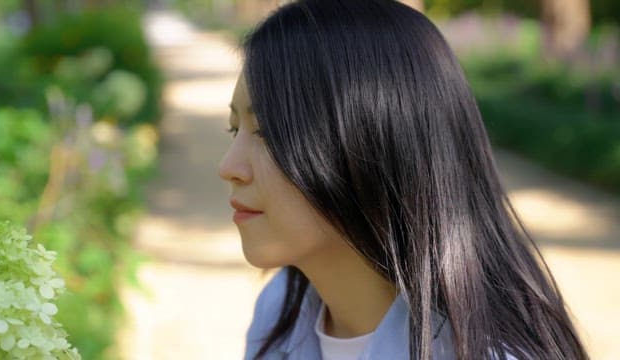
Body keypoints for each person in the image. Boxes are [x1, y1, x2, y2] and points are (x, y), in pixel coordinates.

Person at [217, 0, 590, 359]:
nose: (229, 167)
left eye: (266, 131)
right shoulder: (282, 309)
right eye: (235, 129)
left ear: (371, 139)